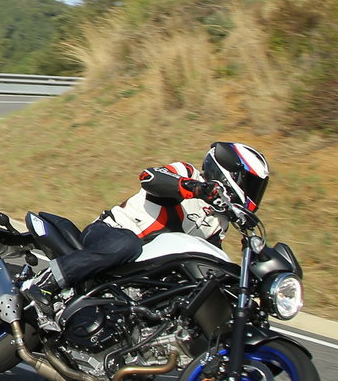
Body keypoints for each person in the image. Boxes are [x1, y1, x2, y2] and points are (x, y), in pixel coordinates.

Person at [18, 141, 272, 330]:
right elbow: (150, 178)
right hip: (111, 234)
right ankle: (44, 283)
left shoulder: (219, 222)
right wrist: (195, 188)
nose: (253, 194)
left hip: (145, 267)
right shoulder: (187, 172)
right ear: (229, 174)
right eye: (250, 184)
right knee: (127, 243)